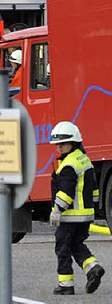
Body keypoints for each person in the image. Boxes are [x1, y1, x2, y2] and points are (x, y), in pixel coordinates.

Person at [49, 121, 105, 295]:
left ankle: (66, 286)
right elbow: (94, 188)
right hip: (85, 215)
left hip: (70, 216)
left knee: (62, 248)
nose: (59, 148)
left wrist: (57, 209)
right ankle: (93, 268)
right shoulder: (84, 159)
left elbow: (66, 191)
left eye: (63, 144)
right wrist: (93, 205)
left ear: (73, 143)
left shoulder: (68, 165)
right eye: (57, 144)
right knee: (76, 244)